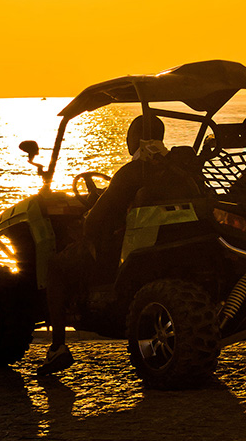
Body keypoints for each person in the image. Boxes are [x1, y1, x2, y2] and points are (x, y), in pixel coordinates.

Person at [37, 115, 167, 376]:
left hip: (120, 249)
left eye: (130, 135)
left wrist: (88, 236)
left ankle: (58, 346)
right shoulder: (170, 169)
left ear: (137, 138)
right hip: (157, 239)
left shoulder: (132, 172)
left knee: (56, 266)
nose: (128, 140)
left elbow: (98, 217)